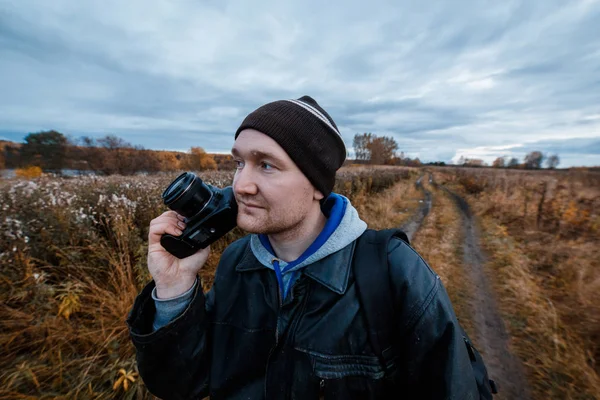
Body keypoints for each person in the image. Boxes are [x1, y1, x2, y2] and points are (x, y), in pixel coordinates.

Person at [126, 96, 480, 399]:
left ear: (317, 186)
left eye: (266, 165)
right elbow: (181, 386)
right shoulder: (238, 262)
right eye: (239, 163)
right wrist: (174, 288)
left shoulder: (391, 271)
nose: (241, 184)